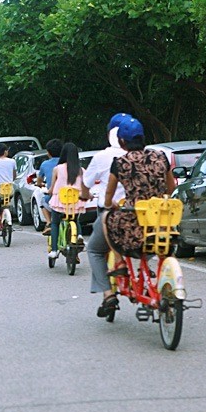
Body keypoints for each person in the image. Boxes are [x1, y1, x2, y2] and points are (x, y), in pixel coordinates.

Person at [99, 117, 176, 316]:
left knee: (107, 217)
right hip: (162, 226)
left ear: (122, 142)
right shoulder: (161, 157)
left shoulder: (120, 163)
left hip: (135, 229)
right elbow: (171, 187)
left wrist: (110, 205)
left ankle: (120, 261)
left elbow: (108, 195)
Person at [81, 114, 130, 316]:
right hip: (143, 216)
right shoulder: (144, 156)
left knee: (94, 250)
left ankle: (108, 295)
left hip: (111, 214)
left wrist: (84, 196)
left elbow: (86, 184)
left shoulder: (103, 158)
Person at [46, 142, 86, 260]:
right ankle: (79, 234)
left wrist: (49, 191)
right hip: (75, 201)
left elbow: (52, 188)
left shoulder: (57, 169)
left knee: (55, 223)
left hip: (60, 201)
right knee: (74, 218)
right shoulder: (81, 170)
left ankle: (54, 250)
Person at [36, 139, 62, 235]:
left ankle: (48, 222)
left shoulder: (44, 164)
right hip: (70, 195)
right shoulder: (67, 163)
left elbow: (39, 181)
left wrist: (40, 184)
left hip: (54, 196)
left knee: (43, 201)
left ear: (48, 152)